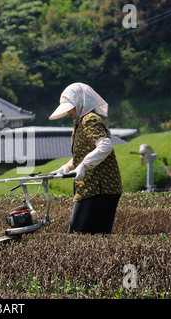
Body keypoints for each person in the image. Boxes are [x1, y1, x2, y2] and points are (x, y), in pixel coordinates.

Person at [49, 83, 122, 234]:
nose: (68, 111)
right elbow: (84, 153)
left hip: (97, 188)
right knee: (97, 237)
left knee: (76, 236)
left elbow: (105, 146)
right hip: (103, 188)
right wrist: (66, 168)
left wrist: (83, 166)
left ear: (81, 102)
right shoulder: (79, 122)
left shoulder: (89, 119)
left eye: (71, 107)